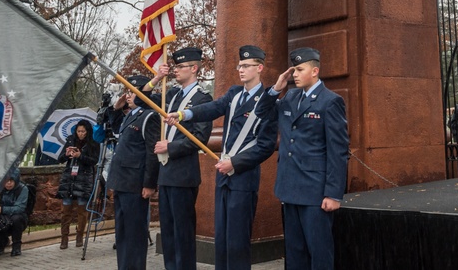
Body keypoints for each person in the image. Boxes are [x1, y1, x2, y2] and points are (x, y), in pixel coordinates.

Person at [188, 45, 278, 270]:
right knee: (222, 239)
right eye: (240, 65)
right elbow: (212, 108)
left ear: (259, 68)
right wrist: (184, 114)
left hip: (243, 177)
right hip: (224, 177)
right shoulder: (233, 93)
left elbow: (265, 146)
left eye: (247, 66)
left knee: (237, 241)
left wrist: (235, 163)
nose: (241, 70)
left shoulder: (267, 101)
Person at [264, 48, 349, 270]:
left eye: (300, 69)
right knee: (294, 252)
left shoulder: (330, 102)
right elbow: (263, 113)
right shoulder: (290, 97)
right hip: (290, 188)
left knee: (319, 251)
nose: (295, 74)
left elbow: (338, 150)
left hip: (315, 191)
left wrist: (333, 193)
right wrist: (275, 89)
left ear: (315, 71)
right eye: (294, 70)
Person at [147, 47, 213, 270]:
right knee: (167, 231)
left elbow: (200, 138)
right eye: (174, 67)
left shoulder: (203, 99)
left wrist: (170, 146)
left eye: (180, 67)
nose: (175, 70)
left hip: (184, 174)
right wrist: (158, 77)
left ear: (194, 68)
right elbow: (142, 99)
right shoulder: (171, 94)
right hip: (166, 173)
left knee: (182, 231)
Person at [107, 74, 161, 270]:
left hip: (135, 183)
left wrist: (149, 183)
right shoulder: (130, 114)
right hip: (122, 182)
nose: (128, 95)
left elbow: (151, 152)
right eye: (127, 90)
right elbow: (112, 128)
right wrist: (116, 108)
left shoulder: (150, 116)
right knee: (122, 233)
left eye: (132, 90)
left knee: (135, 235)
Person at [56, 119, 99, 249]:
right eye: (78, 131)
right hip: (69, 178)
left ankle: (80, 235)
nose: (80, 134)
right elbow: (60, 158)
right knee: (66, 209)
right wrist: (67, 154)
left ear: (87, 132)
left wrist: (80, 156)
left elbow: (94, 161)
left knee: (82, 209)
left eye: (83, 131)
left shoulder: (93, 143)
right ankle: (64, 238)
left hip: (84, 178)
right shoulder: (70, 140)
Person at [0, 170, 29, 256]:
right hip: (1, 220)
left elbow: (20, 208)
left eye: (11, 181)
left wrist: (2, 209)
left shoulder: (23, 189)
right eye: (6, 181)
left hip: (16, 220)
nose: (8, 183)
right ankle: (2, 243)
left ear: (15, 180)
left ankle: (16, 246)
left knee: (16, 219)